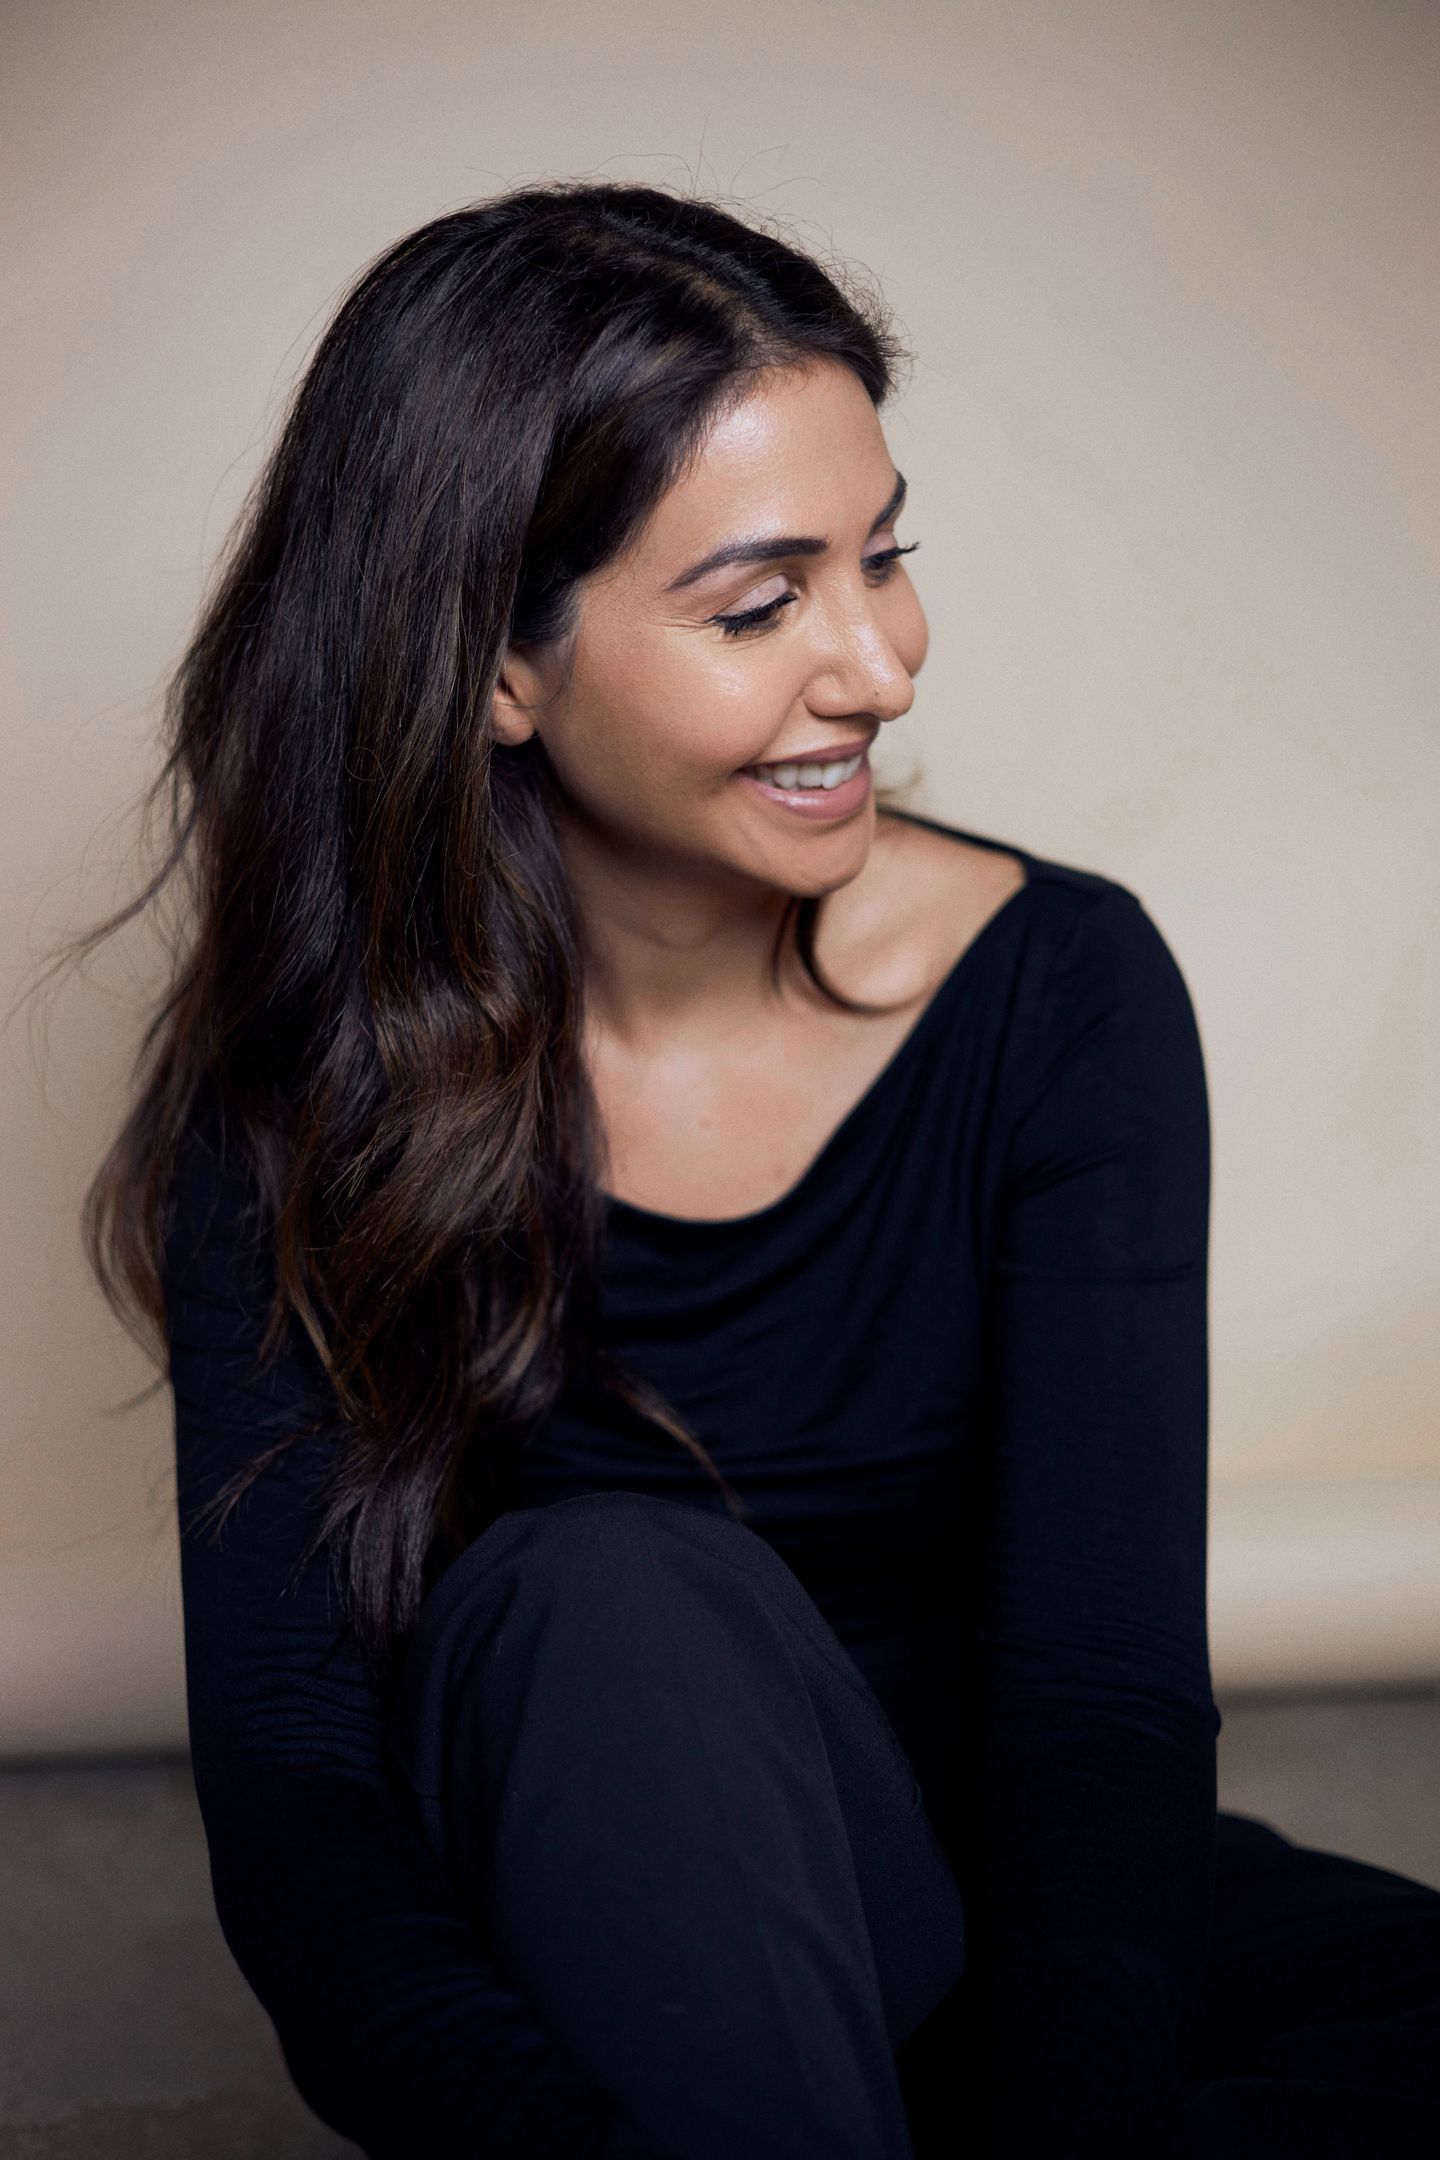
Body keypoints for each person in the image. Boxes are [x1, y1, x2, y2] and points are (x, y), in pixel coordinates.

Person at [68, 182, 1440, 2158]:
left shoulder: (1062, 991)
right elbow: (300, 1797)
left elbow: (1102, 1702)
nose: (880, 667)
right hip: (618, 1921)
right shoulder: (309, 1088)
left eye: (885, 560)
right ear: (497, 666)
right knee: (609, 1590)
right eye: (760, 604)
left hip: (970, 1892)